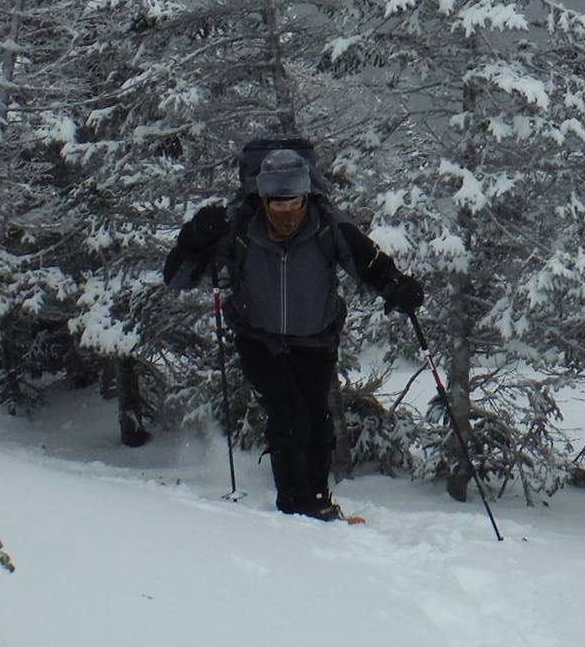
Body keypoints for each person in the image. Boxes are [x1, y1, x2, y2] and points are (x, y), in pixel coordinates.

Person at [163, 146, 426, 520]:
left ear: (307, 196)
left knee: (317, 421)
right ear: (263, 197)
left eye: (295, 202)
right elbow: (178, 279)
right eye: (278, 203)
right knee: (289, 414)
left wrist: (396, 286)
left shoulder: (328, 224)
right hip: (258, 336)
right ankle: (293, 506)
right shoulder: (238, 227)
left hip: (315, 338)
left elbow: (368, 262)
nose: (287, 211)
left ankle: (316, 500)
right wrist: (191, 242)